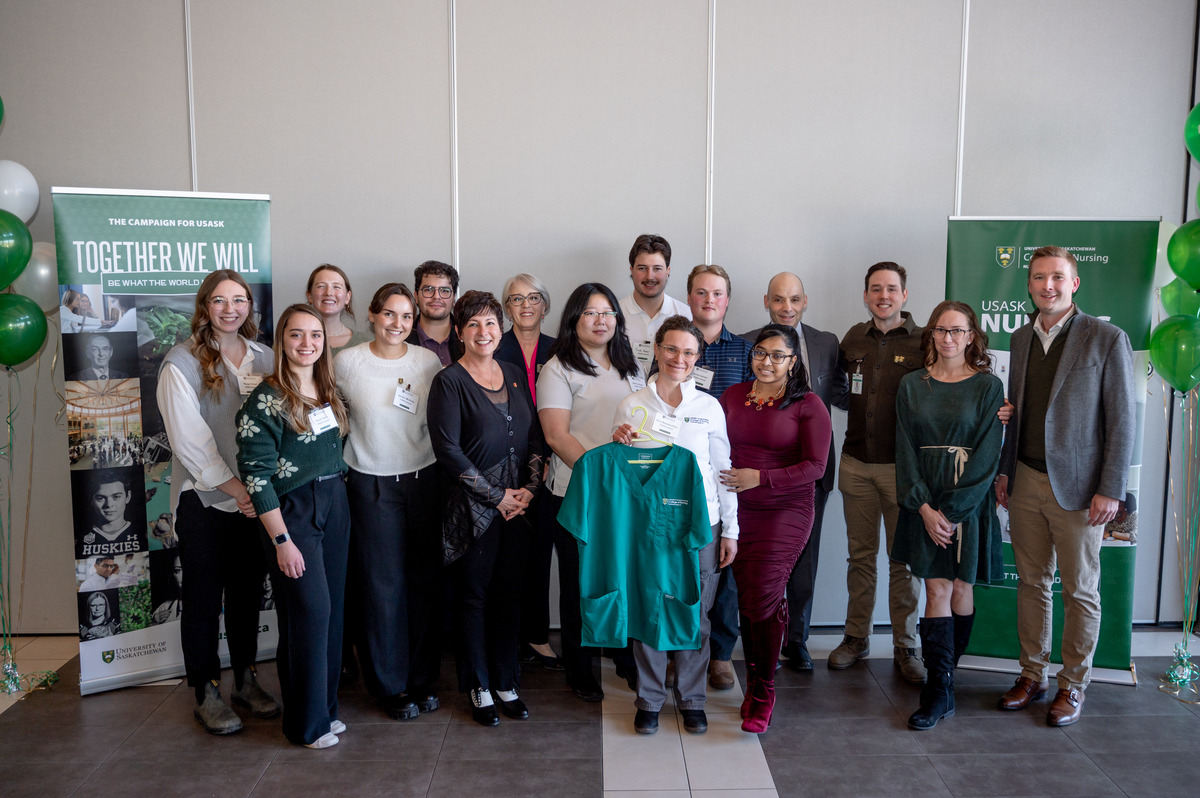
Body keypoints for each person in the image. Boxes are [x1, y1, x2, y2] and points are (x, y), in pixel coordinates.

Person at [994, 246, 1135, 727]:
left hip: (1081, 489)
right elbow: (1019, 413)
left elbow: (1122, 421)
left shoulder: (1106, 338)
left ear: (1075, 283)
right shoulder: (1018, 339)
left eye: (1057, 277)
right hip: (1026, 478)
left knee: (1080, 591)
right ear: (1029, 285)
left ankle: (1073, 685)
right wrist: (1005, 472)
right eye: (1038, 278)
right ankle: (1032, 674)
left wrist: (1110, 487)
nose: (1047, 286)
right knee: (1032, 583)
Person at [158, 268, 279, 735]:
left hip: (256, 503)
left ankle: (246, 680)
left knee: (249, 593)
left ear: (250, 305)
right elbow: (190, 442)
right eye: (220, 300)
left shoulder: (266, 357)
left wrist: (261, 494)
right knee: (205, 599)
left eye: (240, 300)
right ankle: (205, 690)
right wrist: (239, 490)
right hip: (206, 501)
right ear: (205, 306)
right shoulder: (181, 362)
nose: (231, 309)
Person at [612, 315, 738, 735]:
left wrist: (732, 530)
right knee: (649, 610)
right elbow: (622, 476)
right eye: (671, 349)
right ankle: (649, 698)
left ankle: (692, 698)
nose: (678, 359)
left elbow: (724, 471)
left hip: (702, 526)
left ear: (697, 357)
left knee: (696, 615)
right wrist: (618, 445)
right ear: (657, 350)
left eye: (688, 352)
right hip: (649, 529)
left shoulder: (709, 408)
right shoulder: (632, 406)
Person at [428, 290, 546, 726]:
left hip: (519, 507)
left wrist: (529, 489)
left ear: (501, 329)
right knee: (474, 597)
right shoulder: (449, 381)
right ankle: (477, 685)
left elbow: (534, 437)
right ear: (459, 332)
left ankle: (505, 680)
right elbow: (448, 450)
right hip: (474, 511)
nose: (484, 332)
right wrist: (496, 497)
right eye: (473, 324)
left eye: (491, 323)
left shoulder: (514, 373)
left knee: (509, 596)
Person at [236, 303, 351, 750]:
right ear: (282, 341)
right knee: (309, 614)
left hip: (335, 502)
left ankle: (325, 710)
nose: (307, 344)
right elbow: (256, 475)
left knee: (333, 614)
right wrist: (281, 539)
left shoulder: (327, 388)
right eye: (297, 335)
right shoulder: (264, 398)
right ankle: (306, 726)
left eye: (315, 335)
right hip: (292, 511)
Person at [891, 302, 1004, 730]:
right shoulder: (911, 385)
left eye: (957, 331)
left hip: (968, 502)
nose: (948, 338)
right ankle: (938, 691)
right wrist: (923, 506)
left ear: (972, 335)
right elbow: (904, 449)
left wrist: (953, 513)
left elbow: (988, 456)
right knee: (935, 587)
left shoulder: (989, 387)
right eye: (941, 330)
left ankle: (946, 679)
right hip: (926, 500)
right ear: (931, 335)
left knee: (961, 586)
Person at [335, 283, 444, 721]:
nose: (397, 324)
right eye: (389, 315)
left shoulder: (428, 361)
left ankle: (422, 678)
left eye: (405, 316)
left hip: (423, 478)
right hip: (370, 483)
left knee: (422, 582)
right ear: (371, 316)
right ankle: (390, 685)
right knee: (383, 587)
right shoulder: (347, 363)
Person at [719, 324, 831, 733]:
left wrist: (760, 479)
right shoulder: (732, 396)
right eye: (760, 353)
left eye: (777, 355)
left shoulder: (808, 405)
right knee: (752, 598)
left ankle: (763, 691)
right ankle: (756, 679)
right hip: (736, 510)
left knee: (764, 588)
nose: (766, 362)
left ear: (793, 361)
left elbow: (816, 468)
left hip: (785, 508)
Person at [537, 283, 642, 702]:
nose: (601, 321)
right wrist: (601, 478)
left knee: (624, 577)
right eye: (591, 313)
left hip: (625, 494)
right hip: (577, 491)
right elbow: (556, 436)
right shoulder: (558, 368)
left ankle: (625, 657)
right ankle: (579, 669)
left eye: (608, 313)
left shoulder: (631, 365)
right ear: (574, 320)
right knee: (580, 582)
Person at [742, 272, 848, 671]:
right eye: (779, 299)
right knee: (754, 557)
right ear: (765, 301)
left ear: (806, 302)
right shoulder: (747, 342)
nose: (787, 307)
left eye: (795, 299)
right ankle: (756, 636)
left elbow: (841, 392)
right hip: (756, 471)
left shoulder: (826, 342)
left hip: (810, 468)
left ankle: (797, 638)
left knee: (805, 556)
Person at [830, 262, 926, 683]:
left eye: (891, 289)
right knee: (860, 558)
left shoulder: (926, 341)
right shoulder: (852, 338)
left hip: (902, 471)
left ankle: (907, 645)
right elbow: (837, 388)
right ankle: (856, 637)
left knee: (903, 561)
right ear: (866, 295)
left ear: (904, 295)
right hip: (855, 465)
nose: (883, 295)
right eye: (875, 289)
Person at [681, 264, 752, 690]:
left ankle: (721, 655)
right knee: (681, 572)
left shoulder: (744, 352)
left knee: (724, 569)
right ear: (689, 297)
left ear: (728, 300)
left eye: (718, 294)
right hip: (678, 477)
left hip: (726, 472)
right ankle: (679, 647)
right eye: (701, 293)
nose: (709, 300)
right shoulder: (675, 344)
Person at [494, 274, 561, 669]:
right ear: (506, 308)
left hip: (550, 460)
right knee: (506, 556)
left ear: (545, 304)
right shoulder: (493, 344)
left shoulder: (560, 348)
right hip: (502, 465)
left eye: (533, 297)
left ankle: (536, 634)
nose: (525, 305)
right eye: (515, 299)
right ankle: (507, 635)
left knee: (540, 552)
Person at [618, 234, 692, 377]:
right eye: (642, 268)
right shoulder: (613, 316)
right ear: (631, 270)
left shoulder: (687, 315)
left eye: (657, 268)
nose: (650, 276)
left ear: (668, 271)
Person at [408, 260, 464, 366]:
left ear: (454, 298)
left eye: (444, 290)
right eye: (428, 289)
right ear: (416, 296)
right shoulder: (401, 339)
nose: (436, 297)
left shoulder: (469, 338)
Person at [307, 264, 371, 355]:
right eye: (321, 286)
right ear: (309, 296)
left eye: (336, 287)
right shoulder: (296, 342)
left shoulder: (367, 343)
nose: (328, 292)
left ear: (347, 297)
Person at [80, 474, 141, 556]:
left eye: (116, 497)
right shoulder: (78, 540)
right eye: (100, 498)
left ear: (128, 497)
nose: (109, 504)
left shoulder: (143, 535)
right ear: (91, 500)